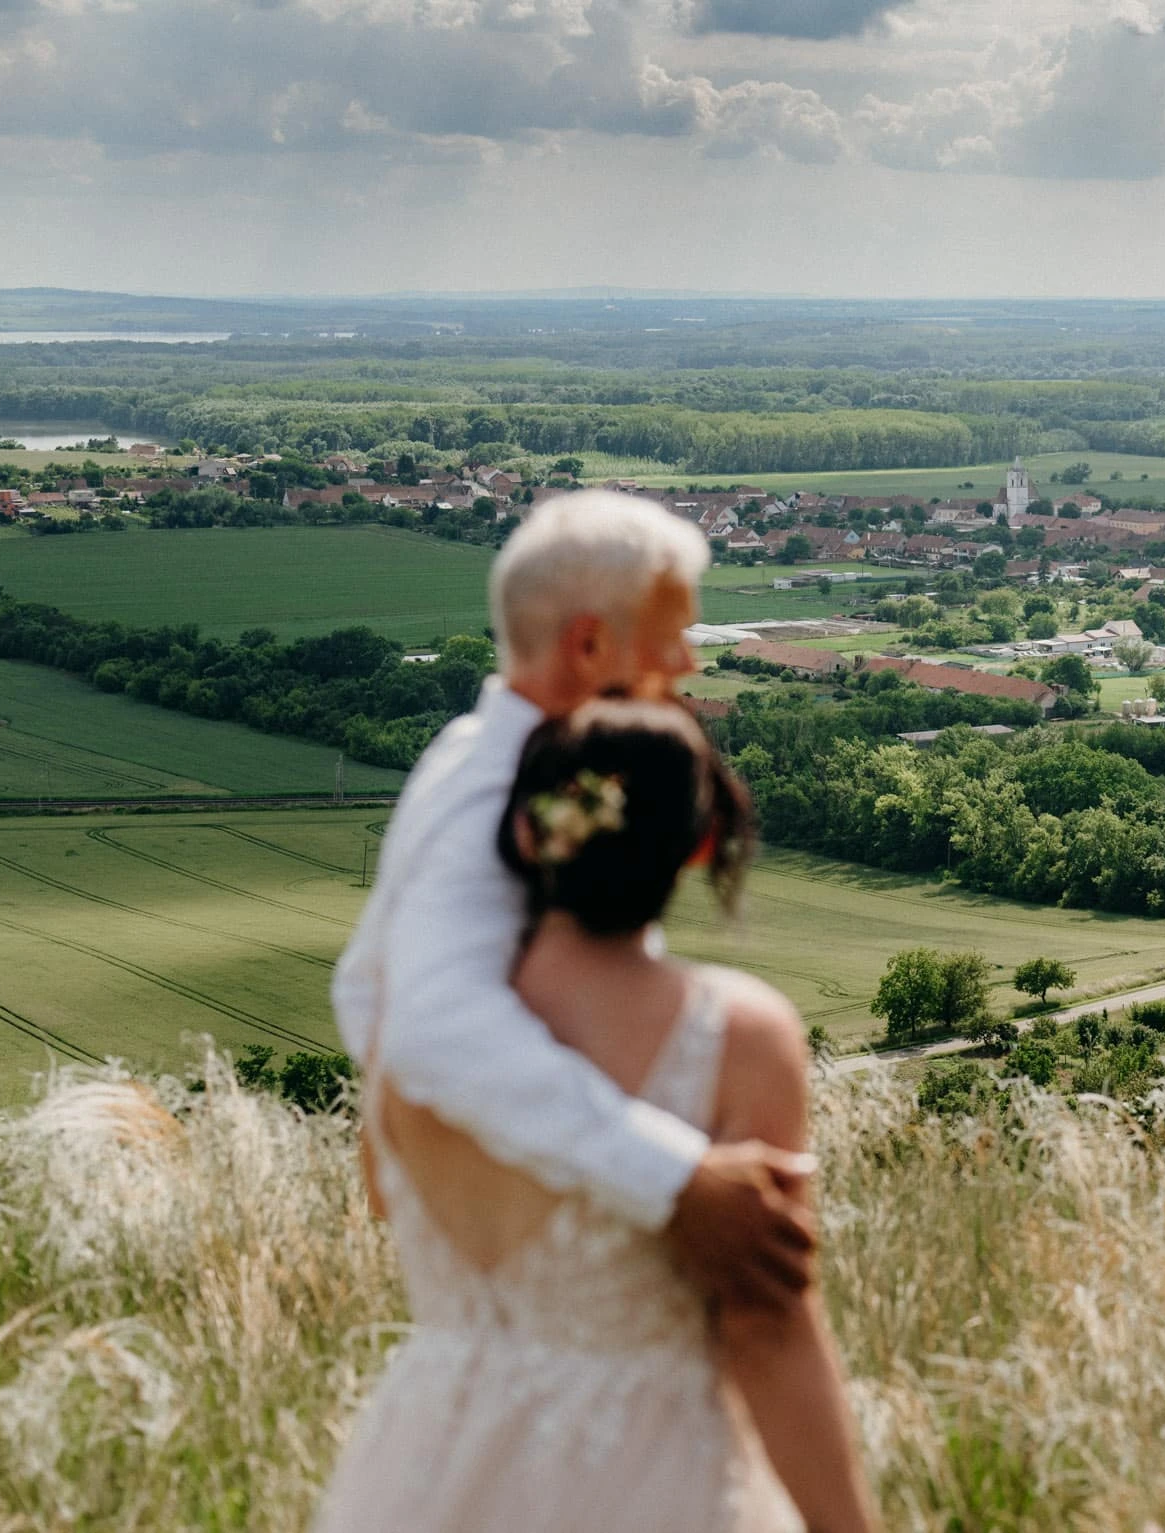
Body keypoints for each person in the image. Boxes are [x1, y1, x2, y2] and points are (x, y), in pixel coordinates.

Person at [313, 700, 877, 1532]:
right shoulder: (738, 1035)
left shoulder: (418, 1029)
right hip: (648, 1479)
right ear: (699, 843)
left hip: (419, 1471)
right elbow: (766, 1324)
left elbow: (382, 1195)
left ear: (529, 835)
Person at [330, 489, 815, 1310]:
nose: (690, 664)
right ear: (590, 645)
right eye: (673, 638)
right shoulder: (498, 803)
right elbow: (432, 1025)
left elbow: (362, 983)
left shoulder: (463, 752)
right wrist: (672, 1176)